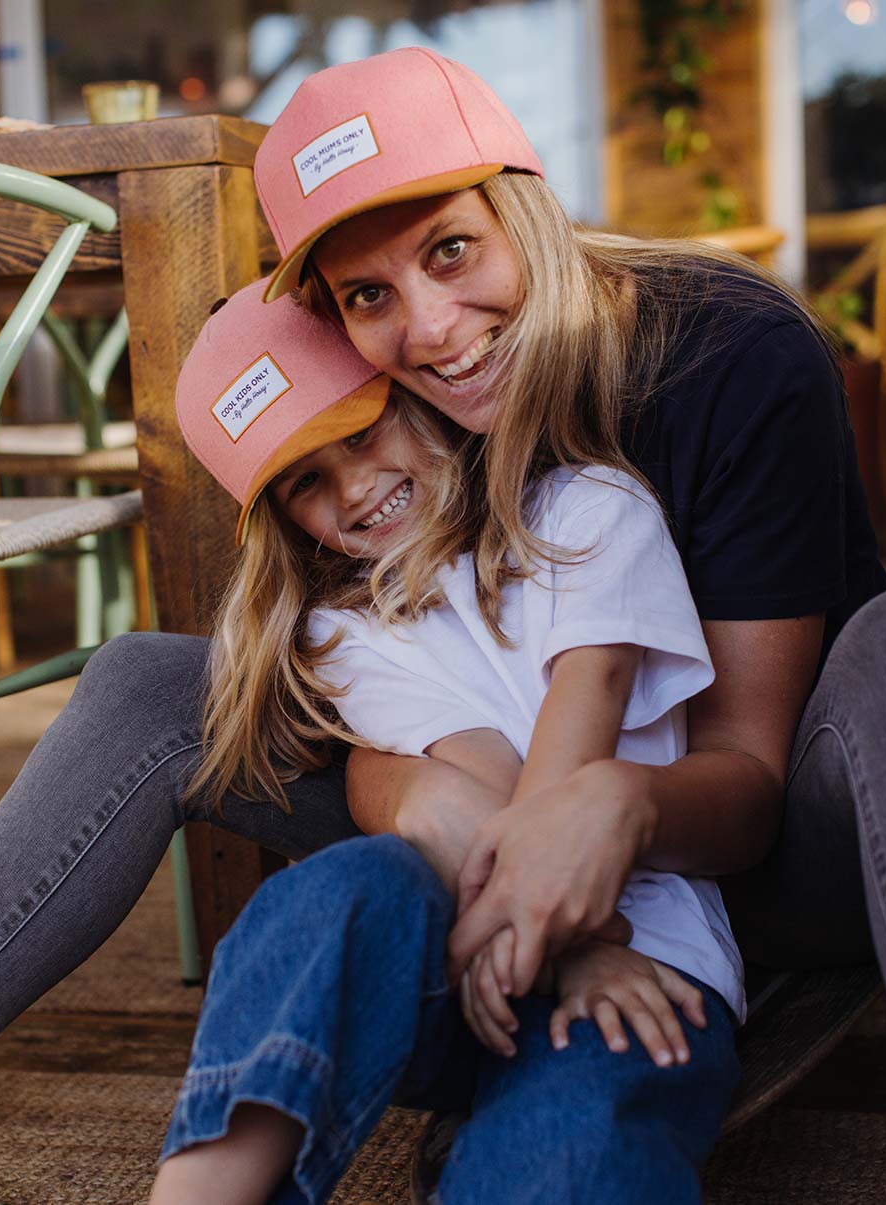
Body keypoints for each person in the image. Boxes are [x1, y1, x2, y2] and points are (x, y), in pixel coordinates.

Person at [0, 47, 886, 1147]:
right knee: (144, 680)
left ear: (525, 206)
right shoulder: (403, 431)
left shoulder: (730, 351)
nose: (428, 328)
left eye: (452, 249)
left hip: (748, 852)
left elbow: (746, 787)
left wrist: (613, 801)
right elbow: (378, 665)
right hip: (491, 821)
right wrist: (406, 787)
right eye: (368, 295)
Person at [149, 276, 742, 1204]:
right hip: (466, 968)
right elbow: (479, 784)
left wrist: (581, 947)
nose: (356, 487)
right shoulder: (340, 631)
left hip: (643, 960)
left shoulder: (586, 511)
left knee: (563, 1151)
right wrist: (566, 948)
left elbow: (573, 742)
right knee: (342, 891)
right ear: (282, 521)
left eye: (361, 432)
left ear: (413, 396)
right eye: (307, 481)